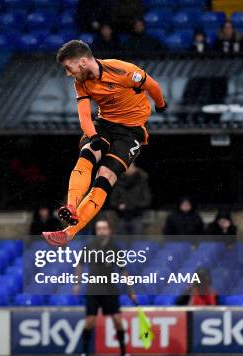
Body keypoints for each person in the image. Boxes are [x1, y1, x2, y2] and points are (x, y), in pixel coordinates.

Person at [42, 40, 166, 247]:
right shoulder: (80, 82)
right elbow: (84, 117)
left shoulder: (123, 70)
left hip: (131, 131)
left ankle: (69, 233)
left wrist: (161, 105)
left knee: (105, 176)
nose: (67, 73)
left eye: (68, 67)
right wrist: (94, 137)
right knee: (88, 153)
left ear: (82, 62)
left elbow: (152, 85)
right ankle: (71, 206)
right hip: (105, 124)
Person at [73, 218, 136, 356]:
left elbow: (123, 270)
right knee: (90, 321)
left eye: (104, 228)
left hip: (110, 288)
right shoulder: (89, 246)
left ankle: (123, 352)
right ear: (96, 231)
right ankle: (84, 352)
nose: (101, 231)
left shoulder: (115, 248)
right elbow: (79, 264)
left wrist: (131, 290)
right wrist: (77, 283)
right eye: (99, 228)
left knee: (118, 321)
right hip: (93, 288)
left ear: (109, 230)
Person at [108, 163, 151, 235]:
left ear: (135, 168)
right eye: (127, 167)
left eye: (131, 167)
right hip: (121, 217)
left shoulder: (142, 182)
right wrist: (119, 205)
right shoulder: (119, 182)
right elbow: (113, 200)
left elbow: (147, 200)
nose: (129, 169)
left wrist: (133, 206)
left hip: (137, 216)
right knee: (121, 240)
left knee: (136, 240)